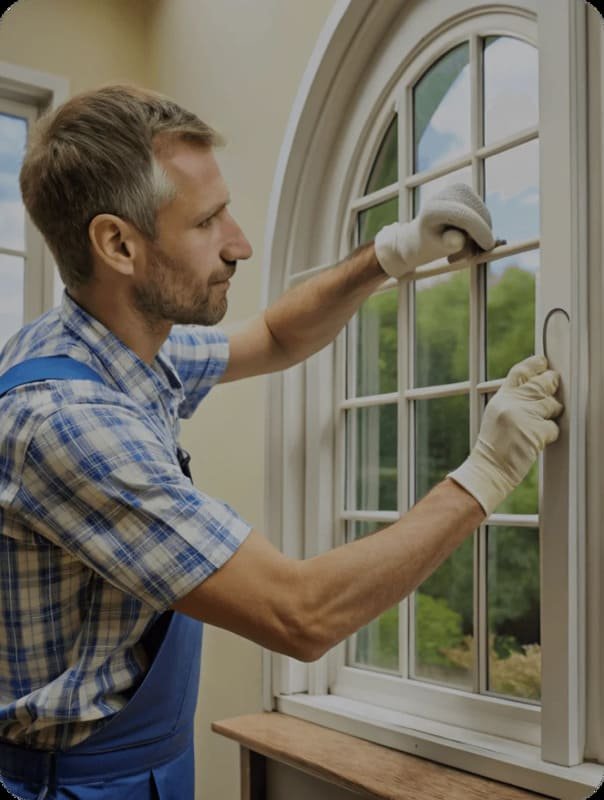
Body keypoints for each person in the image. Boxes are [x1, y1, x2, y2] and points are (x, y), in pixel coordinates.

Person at [0, 85, 562, 800]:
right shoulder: (68, 421)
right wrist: (488, 471)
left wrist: (394, 251)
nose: (239, 242)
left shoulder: (118, 346)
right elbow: (301, 614)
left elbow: (272, 336)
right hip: (79, 784)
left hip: (146, 762)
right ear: (118, 245)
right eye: (207, 222)